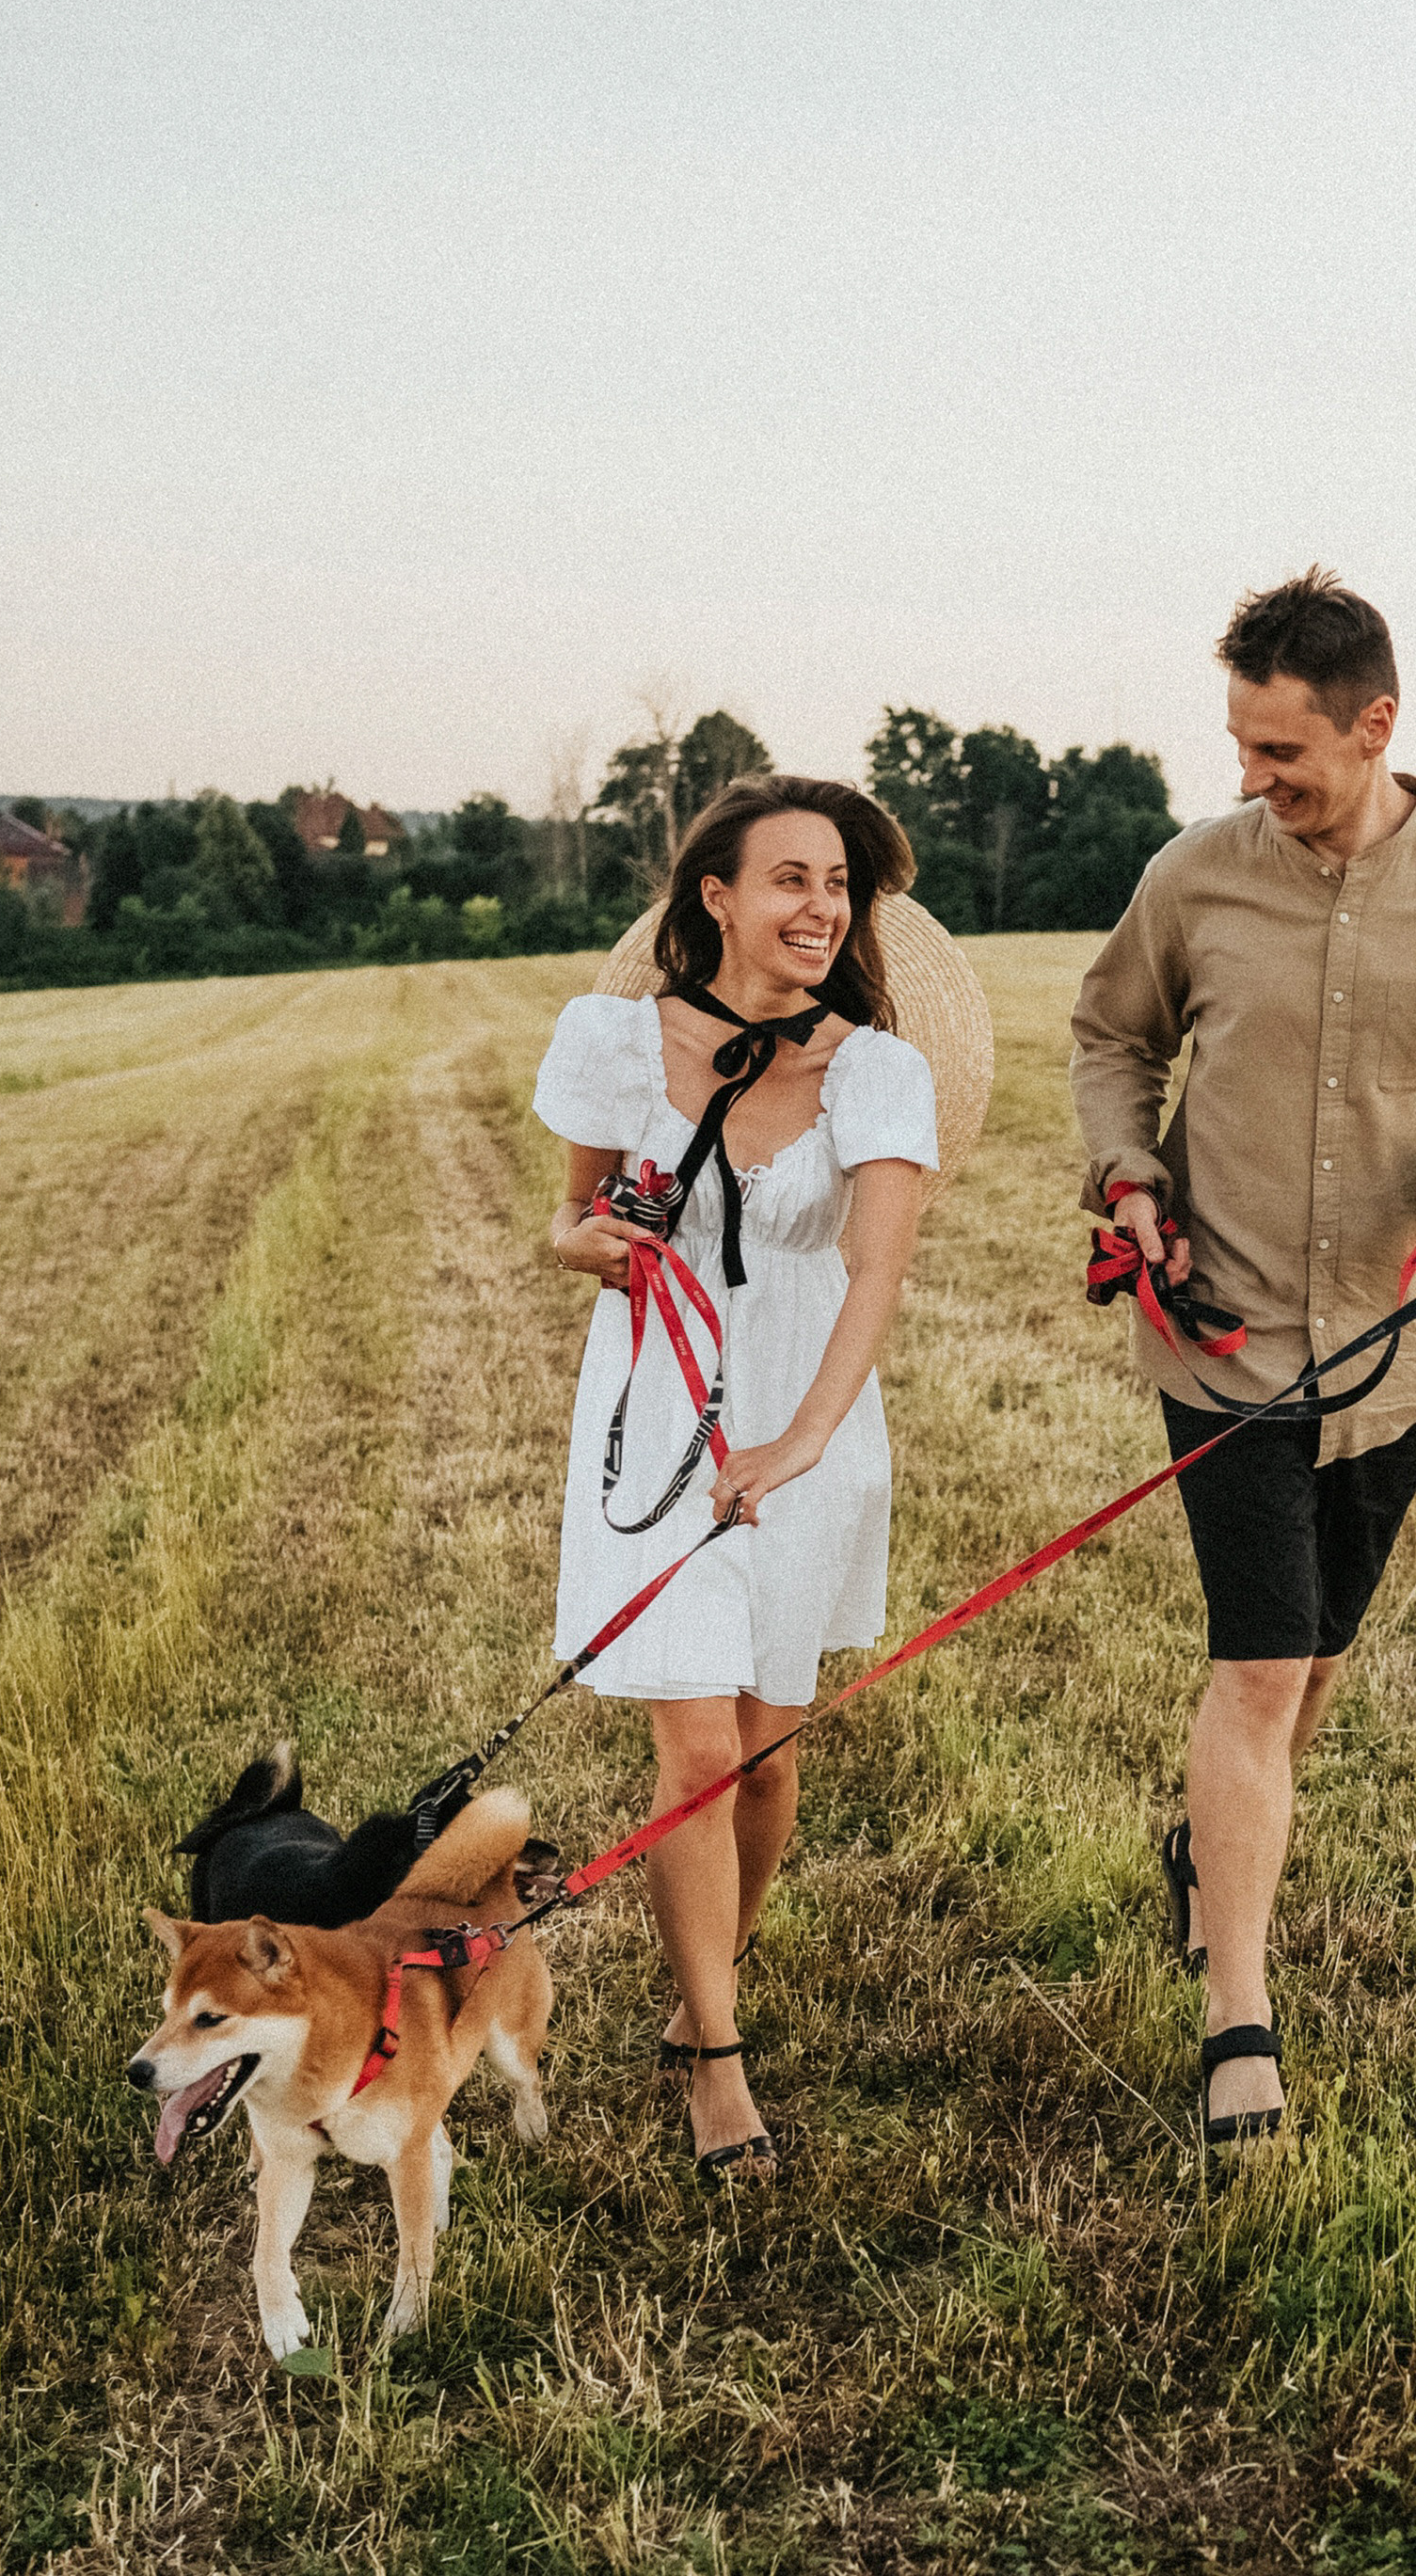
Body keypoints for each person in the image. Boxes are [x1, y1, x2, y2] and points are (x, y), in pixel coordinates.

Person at [1069, 569, 1416, 2155]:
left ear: (1376, 726)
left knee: (1317, 1664)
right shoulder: (1194, 876)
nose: (1252, 777)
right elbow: (1112, 1039)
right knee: (1260, 1659)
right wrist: (1129, 1178)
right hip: (1218, 1342)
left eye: (1282, 751)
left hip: (1395, 1354)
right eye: (1238, 744)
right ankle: (1240, 2012)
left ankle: (1206, 1851)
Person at [533, 776, 939, 2179]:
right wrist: (582, 1243)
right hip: (659, 1404)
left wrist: (804, 1439)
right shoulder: (613, 1040)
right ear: (715, 895)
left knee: (766, 1752)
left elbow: (875, 1273)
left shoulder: (877, 1069)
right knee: (696, 1745)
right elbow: (582, 1215)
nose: (821, 908)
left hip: (806, 1409)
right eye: (791, 880)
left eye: (838, 886)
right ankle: (714, 2050)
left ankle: (715, 1959)